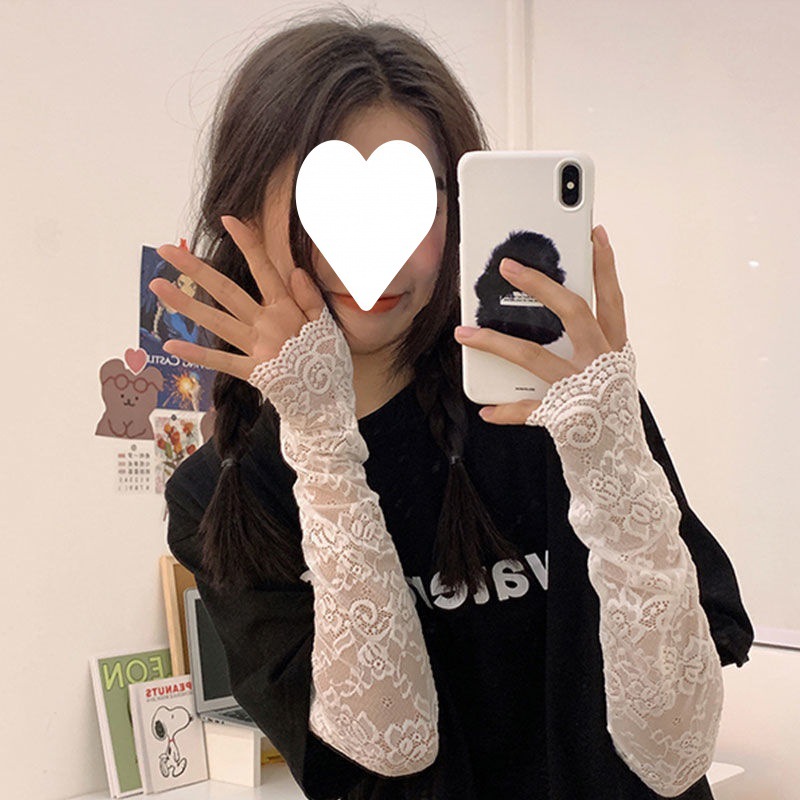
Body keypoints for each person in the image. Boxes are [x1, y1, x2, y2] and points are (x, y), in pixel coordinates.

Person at [153, 9, 753, 800]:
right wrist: (321, 436)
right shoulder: (224, 494)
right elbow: (390, 750)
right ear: (245, 215)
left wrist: (610, 455)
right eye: (325, 202)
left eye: (410, 202)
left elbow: (675, 750)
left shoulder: (560, 407)